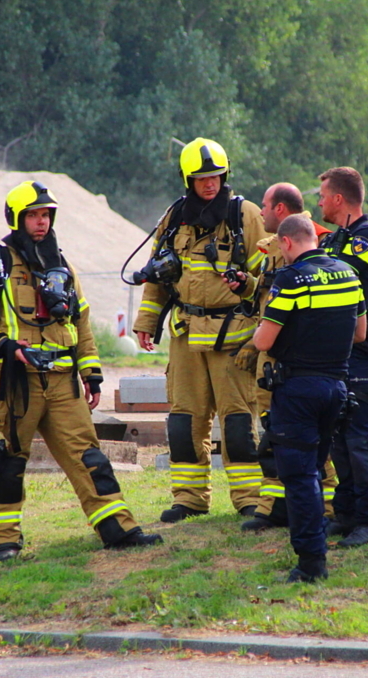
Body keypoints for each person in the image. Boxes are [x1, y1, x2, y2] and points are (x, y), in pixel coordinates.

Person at [0, 180, 162, 561]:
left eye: (46, 215)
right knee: (8, 461)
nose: (41, 223)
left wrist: (92, 373)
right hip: (16, 384)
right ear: (17, 219)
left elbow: (80, 324)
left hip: (64, 383)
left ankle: (118, 529)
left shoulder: (62, 267)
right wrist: (3, 345)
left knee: (89, 457)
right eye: (33, 215)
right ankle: (4, 543)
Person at [132, 137, 265, 523]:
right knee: (184, 420)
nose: (210, 184)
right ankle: (189, 498)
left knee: (239, 422)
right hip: (186, 334)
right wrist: (146, 323)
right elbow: (157, 276)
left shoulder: (246, 216)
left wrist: (261, 326)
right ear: (187, 179)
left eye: (216, 176)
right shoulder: (173, 219)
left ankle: (249, 499)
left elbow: (268, 276)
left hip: (234, 334)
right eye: (202, 178)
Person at [252, 214, 366, 581]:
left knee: (299, 478)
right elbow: (360, 333)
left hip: (298, 389)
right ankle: (315, 549)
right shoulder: (349, 273)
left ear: (286, 242)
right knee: (316, 473)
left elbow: (264, 342)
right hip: (336, 388)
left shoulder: (291, 279)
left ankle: (311, 564)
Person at [232, 183, 339, 532]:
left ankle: (324, 507)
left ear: (280, 210)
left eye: (264, 206)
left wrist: (256, 344)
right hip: (277, 359)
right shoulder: (273, 248)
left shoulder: (302, 244)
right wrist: (245, 285)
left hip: (295, 362)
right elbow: (267, 294)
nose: (259, 212)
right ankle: (277, 505)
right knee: (276, 435)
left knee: (305, 440)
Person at [318, 167, 368, 548]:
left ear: (338, 199)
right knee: (338, 436)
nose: (318, 202)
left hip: (362, 352)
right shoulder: (337, 239)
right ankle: (345, 515)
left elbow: (338, 273)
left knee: (360, 438)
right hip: (337, 353)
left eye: (322, 195)